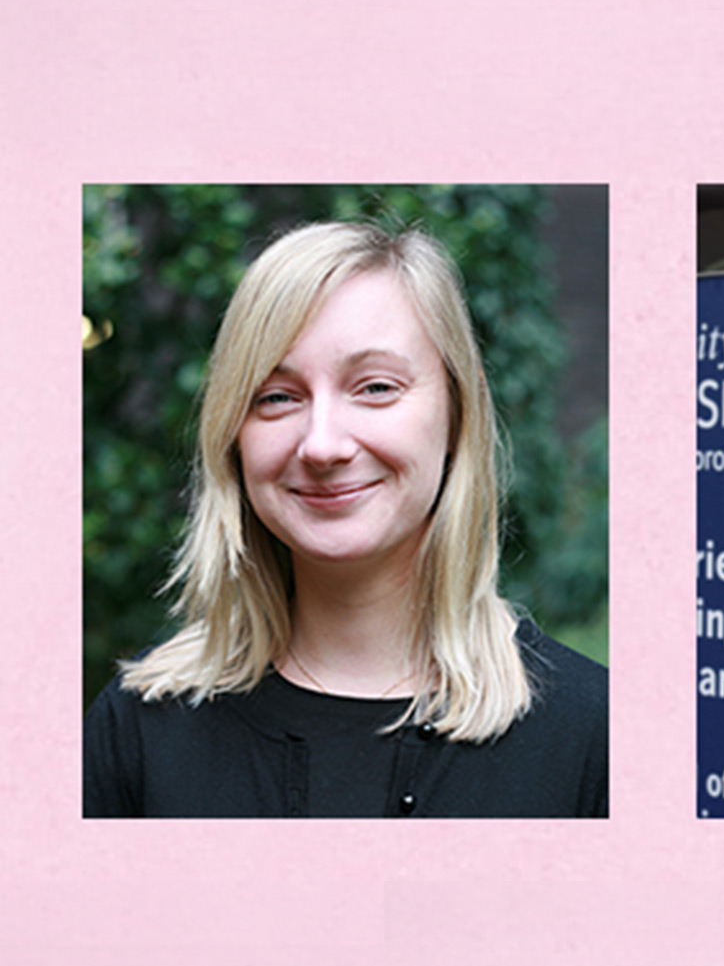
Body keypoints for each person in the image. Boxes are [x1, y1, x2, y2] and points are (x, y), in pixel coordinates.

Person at [84, 222, 607, 818]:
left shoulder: (595, 737)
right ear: (232, 434)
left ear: (460, 411)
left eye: (376, 387)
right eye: (276, 396)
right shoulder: (139, 734)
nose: (322, 445)